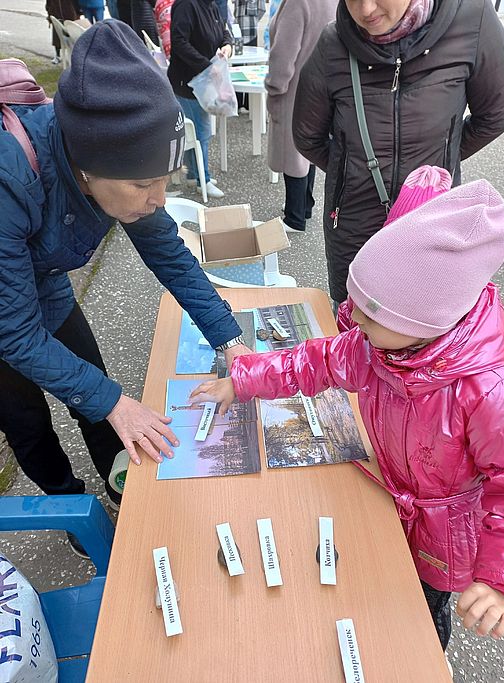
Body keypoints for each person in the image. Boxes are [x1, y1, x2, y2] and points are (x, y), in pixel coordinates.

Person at [189, 166, 504, 653]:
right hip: (391, 501)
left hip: (449, 540)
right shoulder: (376, 346)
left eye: (369, 311)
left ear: (425, 322)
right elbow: (312, 361)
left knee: (420, 617)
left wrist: (499, 579)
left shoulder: (486, 392)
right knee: (373, 590)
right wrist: (242, 378)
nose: (353, 318)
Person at [0, 20, 249, 555]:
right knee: (27, 420)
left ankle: (123, 495)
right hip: (4, 311)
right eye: (143, 185)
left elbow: (171, 257)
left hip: (44, 282)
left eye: (165, 178)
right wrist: (116, 402)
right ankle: (75, 516)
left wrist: (232, 342)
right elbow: (16, 334)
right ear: (85, 169)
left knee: (93, 389)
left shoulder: (119, 165)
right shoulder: (10, 178)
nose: (157, 198)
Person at [292, 0, 504, 306]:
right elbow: (307, 136)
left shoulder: (471, 19)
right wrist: (352, 170)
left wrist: (440, 158)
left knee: (424, 325)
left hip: (432, 220)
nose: (366, 10)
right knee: (356, 326)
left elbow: (496, 114)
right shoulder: (333, 43)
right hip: (356, 221)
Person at [265, 0, 337, 235]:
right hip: (323, 87)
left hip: (294, 89)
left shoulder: (298, 3)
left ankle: (294, 217)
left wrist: (274, 85)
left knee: (291, 152)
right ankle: (305, 206)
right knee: (309, 146)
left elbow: (284, 53)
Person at [168, 0, 232, 198]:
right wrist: (206, 65)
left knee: (195, 131)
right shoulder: (186, 5)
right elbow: (179, 42)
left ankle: (194, 175)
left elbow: (223, 30)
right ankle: (202, 181)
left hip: (202, 79)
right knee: (200, 133)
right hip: (186, 81)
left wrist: (227, 45)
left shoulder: (210, 4)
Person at [45, 0, 80, 64]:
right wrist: (49, 12)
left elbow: (77, 3)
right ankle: (57, 56)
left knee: (72, 37)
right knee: (56, 36)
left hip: (71, 15)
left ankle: (75, 56)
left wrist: (79, 13)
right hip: (56, 15)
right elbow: (48, 3)